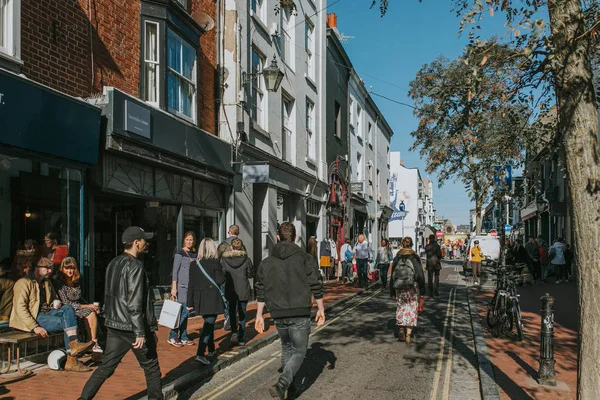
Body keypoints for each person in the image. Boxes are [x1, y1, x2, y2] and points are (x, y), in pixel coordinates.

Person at [79, 226, 162, 400]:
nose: (146, 243)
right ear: (137, 243)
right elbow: (134, 302)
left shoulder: (113, 263)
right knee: (151, 366)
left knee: (106, 367)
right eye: (144, 240)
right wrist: (140, 333)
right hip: (132, 326)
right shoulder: (136, 266)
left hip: (114, 325)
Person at [255, 222, 325, 400]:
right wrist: (320, 308)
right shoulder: (304, 258)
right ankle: (283, 383)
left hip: (278, 313)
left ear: (278, 237)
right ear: (295, 238)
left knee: (287, 349)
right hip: (299, 312)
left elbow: (260, 289)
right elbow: (315, 284)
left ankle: (290, 389)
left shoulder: (266, 262)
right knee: (299, 352)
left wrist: (259, 316)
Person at [11, 256, 94, 372]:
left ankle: (73, 347)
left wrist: (57, 304)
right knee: (68, 323)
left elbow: (52, 300)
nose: (50, 271)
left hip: (48, 313)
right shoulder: (24, 283)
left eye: (50, 268)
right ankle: (72, 358)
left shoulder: (47, 283)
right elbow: (20, 309)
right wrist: (35, 327)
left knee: (68, 309)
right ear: (36, 268)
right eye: (47, 268)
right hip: (34, 317)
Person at [188, 238, 225, 365]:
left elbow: (191, 285)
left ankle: (211, 350)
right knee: (208, 325)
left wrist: (189, 303)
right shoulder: (215, 262)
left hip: (199, 299)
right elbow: (220, 280)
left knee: (208, 323)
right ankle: (200, 353)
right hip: (211, 298)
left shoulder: (194, 264)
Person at [55, 257, 103, 353]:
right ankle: (93, 344)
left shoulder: (76, 282)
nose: (70, 271)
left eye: (72, 268)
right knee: (89, 311)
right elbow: (66, 303)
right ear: (62, 269)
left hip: (79, 309)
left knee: (92, 312)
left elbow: (80, 298)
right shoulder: (60, 283)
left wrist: (93, 306)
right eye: (67, 268)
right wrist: (88, 306)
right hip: (68, 310)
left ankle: (94, 342)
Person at [389, 237, 425, 344]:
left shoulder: (397, 257)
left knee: (401, 308)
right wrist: (422, 291)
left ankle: (401, 329)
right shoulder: (414, 257)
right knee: (411, 309)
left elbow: (392, 276)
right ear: (412, 245)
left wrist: (392, 291)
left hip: (400, 288)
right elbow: (420, 275)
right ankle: (408, 335)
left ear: (402, 245)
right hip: (412, 287)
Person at [221, 238, 254, 346]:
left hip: (230, 289)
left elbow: (223, 274)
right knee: (242, 313)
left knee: (232, 312)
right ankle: (242, 336)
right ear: (241, 247)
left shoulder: (224, 260)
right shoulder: (246, 259)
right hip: (243, 289)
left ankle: (234, 332)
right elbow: (250, 274)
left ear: (231, 247)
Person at [168, 232, 196, 347]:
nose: (189, 242)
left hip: (191, 287)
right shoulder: (180, 253)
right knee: (182, 312)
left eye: (191, 240)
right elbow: (175, 271)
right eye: (187, 239)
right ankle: (172, 335)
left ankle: (183, 336)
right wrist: (174, 287)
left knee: (187, 311)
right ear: (184, 240)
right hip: (182, 287)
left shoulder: (194, 253)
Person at [217, 224, 242, 331]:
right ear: (238, 233)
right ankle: (232, 315)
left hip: (225, 273)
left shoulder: (223, 245)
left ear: (229, 232)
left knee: (225, 296)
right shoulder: (241, 244)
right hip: (237, 275)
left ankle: (228, 316)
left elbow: (217, 258)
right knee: (235, 297)